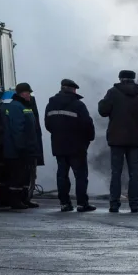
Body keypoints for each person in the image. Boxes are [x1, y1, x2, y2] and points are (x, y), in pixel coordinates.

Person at [98, 70, 138, 213]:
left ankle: (114, 204)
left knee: (116, 172)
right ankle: (135, 204)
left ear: (120, 78)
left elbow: (103, 111)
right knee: (134, 173)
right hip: (134, 139)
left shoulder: (113, 92)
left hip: (116, 139)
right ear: (134, 79)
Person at [45, 79, 96, 213]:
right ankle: (82, 204)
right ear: (73, 90)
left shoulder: (51, 104)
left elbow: (48, 124)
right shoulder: (78, 105)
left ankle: (64, 203)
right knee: (80, 176)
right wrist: (89, 139)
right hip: (77, 146)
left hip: (58, 145)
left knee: (62, 175)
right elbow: (87, 124)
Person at [2, 82, 40, 210]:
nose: (29, 95)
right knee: (17, 176)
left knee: (25, 175)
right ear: (21, 93)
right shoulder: (15, 107)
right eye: (28, 93)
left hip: (26, 148)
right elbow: (17, 129)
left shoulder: (24, 106)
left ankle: (24, 199)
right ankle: (15, 201)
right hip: (16, 150)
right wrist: (21, 147)